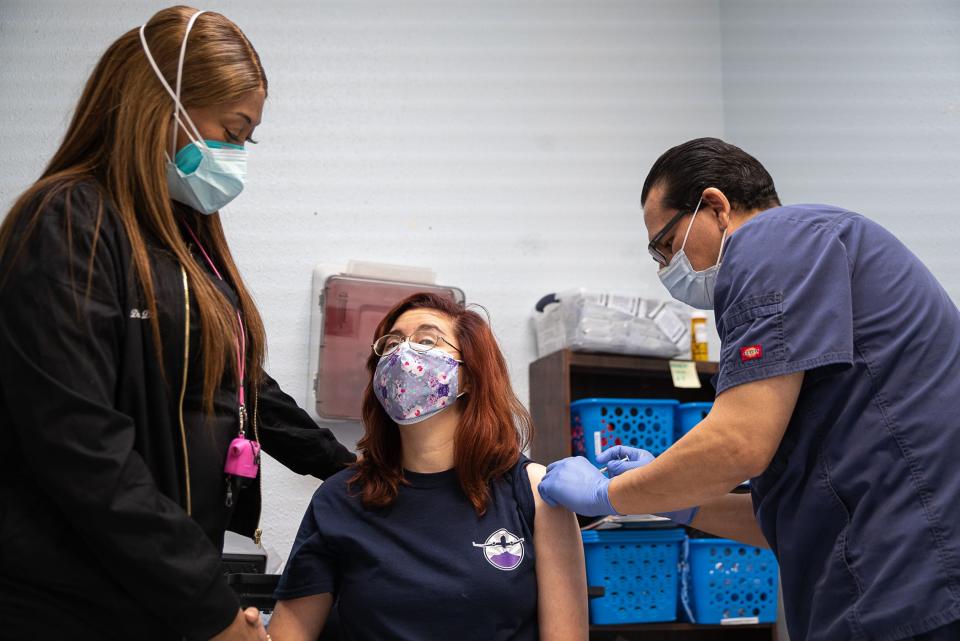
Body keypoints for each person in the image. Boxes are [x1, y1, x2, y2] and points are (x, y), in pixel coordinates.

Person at [0, 7, 355, 640]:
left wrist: (347, 468)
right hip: (69, 601)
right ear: (159, 105)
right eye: (232, 130)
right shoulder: (68, 226)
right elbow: (84, 451)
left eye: (249, 138)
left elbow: (241, 385)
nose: (238, 154)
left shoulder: (184, 246)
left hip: (152, 590)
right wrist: (210, 608)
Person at [538, 138, 960, 641]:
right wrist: (680, 502)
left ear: (715, 207)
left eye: (666, 246)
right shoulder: (820, 252)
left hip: (907, 584)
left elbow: (738, 443)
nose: (664, 270)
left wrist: (609, 494)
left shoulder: (772, 241)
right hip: (902, 578)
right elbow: (789, 521)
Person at [267, 293, 588, 641]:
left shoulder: (535, 493)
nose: (402, 355)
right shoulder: (340, 497)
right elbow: (290, 633)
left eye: (426, 340)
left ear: (468, 376)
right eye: (391, 344)